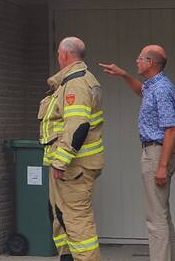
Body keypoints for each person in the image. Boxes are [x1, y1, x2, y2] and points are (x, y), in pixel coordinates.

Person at [100, 45, 175, 261]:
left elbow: (171, 129)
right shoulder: (152, 86)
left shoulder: (162, 88)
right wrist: (124, 75)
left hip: (156, 153)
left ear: (150, 62)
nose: (136, 61)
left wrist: (162, 166)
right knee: (161, 214)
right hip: (154, 152)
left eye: (140, 58)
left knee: (156, 218)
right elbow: (140, 91)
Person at [39, 37, 105, 261]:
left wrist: (61, 161)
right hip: (69, 167)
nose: (58, 57)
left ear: (65, 55)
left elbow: (77, 125)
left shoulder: (76, 84)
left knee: (77, 222)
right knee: (60, 217)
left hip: (72, 168)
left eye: (59, 53)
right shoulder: (75, 81)